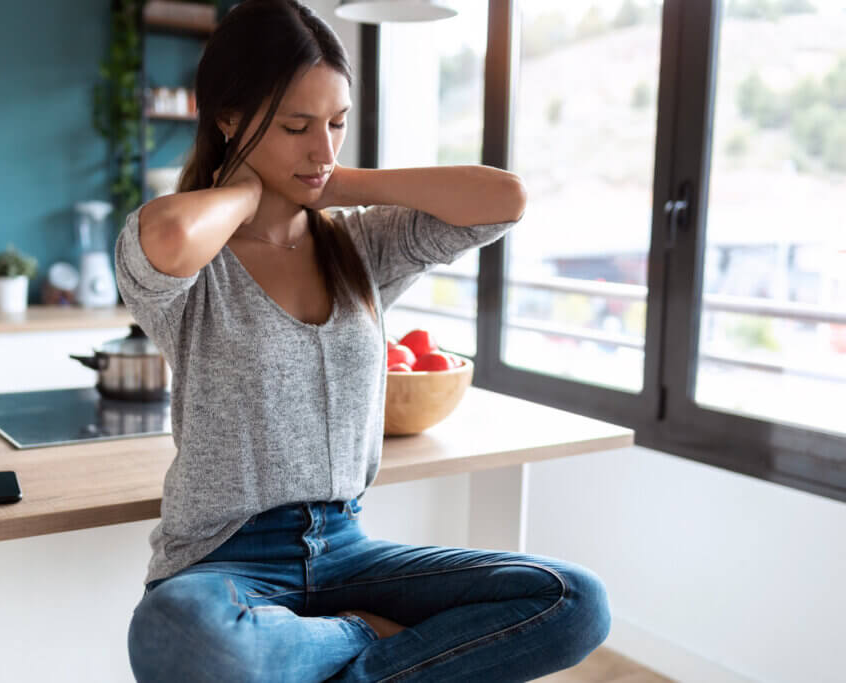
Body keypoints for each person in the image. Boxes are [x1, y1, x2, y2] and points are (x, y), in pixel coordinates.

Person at [118, 1, 610, 680]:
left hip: (346, 547)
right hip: (223, 561)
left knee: (575, 600)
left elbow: (505, 200)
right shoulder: (196, 265)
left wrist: (333, 183)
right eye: (296, 125)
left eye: (337, 124)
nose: (323, 147)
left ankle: (348, 657)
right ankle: (357, 639)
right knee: (180, 635)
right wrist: (243, 188)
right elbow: (167, 236)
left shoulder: (360, 244)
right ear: (227, 116)